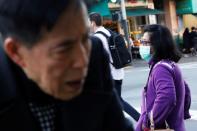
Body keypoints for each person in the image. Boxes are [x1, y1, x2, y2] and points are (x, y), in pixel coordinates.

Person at [0, 0, 134, 130]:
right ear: (16, 51)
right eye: (64, 49)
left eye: (85, 39)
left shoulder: (94, 56)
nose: (82, 61)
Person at [136, 24, 191, 131]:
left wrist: (148, 122)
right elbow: (186, 92)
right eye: (141, 41)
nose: (141, 45)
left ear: (157, 45)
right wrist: (178, 116)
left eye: (144, 42)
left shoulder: (161, 68)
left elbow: (167, 97)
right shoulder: (169, 65)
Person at [89, 12, 140, 121]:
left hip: (109, 75)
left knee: (117, 102)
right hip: (118, 72)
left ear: (92, 23)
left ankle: (141, 120)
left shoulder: (97, 38)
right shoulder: (109, 32)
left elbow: (98, 60)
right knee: (111, 103)